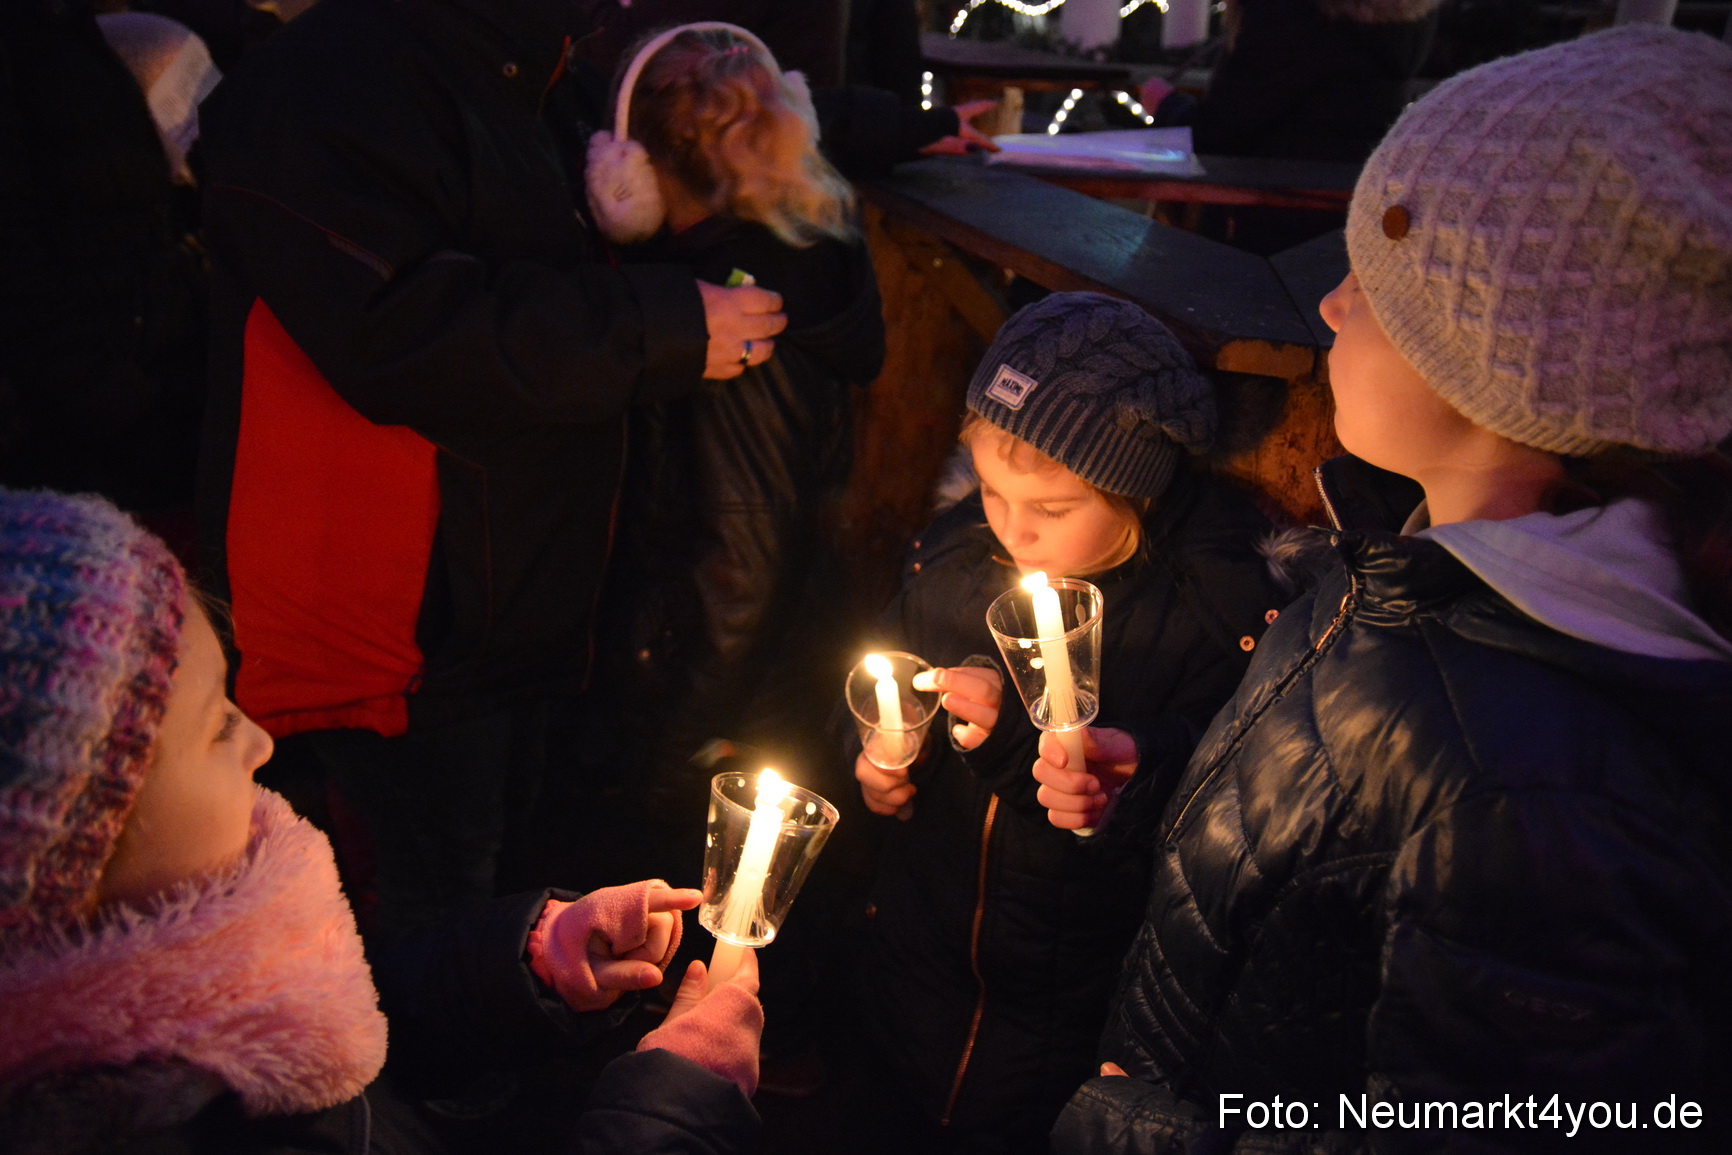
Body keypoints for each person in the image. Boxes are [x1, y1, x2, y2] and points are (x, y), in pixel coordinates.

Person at [1039, 26, 1732, 1151]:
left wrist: (1139, 1125)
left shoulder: (1537, 800)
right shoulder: (1404, 571)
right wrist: (1162, 780)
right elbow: (1343, 844)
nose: (1328, 306)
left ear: (1502, 374)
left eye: (1376, 289)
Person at [194, 0, 788, 980]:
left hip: (497, 584)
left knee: (498, 887)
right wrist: (659, 330)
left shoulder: (531, 63)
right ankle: (419, 1114)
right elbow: (400, 328)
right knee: (432, 904)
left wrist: (850, 127)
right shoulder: (334, 71)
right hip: (394, 611)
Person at [0, 487, 764, 1153]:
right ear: (76, 849)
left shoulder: (222, 935)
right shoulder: (149, 1125)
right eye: (215, 727)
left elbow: (354, 1019)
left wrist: (530, 961)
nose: (260, 740)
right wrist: (675, 1114)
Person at [853, 293, 1283, 1152]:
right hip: (920, 957)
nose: (1012, 528)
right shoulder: (954, 559)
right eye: (990, 489)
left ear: (1136, 491)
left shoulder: (1205, 621)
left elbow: (1195, 795)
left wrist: (1058, 751)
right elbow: (887, 675)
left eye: (1050, 510)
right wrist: (877, 756)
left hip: (1069, 1000)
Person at [573, 22, 885, 876]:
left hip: (721, 724)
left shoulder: (732, 324)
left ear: (633, 172)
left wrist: (668, 767)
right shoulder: (803, 268)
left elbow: (740, 565)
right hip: (763, 700)